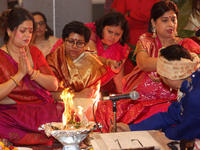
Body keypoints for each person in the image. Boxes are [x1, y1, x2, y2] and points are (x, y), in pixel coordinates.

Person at [95, 0, 200, 133]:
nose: (170, 24)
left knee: (157, 113)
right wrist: (173, 65)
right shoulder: (146, 40)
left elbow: (195, 67)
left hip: (171, 98)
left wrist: (162, 69)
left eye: (173, 20)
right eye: (164, 20)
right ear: (153, 23)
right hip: (141, 96)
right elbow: (143, 64)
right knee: (106, 108)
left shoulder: (187, 43)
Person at [0, 8, 64, 145]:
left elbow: (53, 84)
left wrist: (31, 71)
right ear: (9, 30)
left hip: (42, 110)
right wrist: (19, 75)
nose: (28, 35)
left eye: (30, 31)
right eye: (22, 31)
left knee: (69, 116)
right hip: (12, 115)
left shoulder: (34, 52)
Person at [115, 44, 200, 141]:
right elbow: (171, 114)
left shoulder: (195, 96)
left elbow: (183, 133)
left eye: (161, 76)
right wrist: (131, 128)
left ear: (171, 78)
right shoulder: (192, 82)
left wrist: (164, 131)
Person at [46, 21, 108, 121]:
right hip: (57, 109)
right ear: (64, 40)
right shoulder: (53, 60)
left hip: (86, 110)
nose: (74, 46)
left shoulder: (92, 63)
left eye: (79, 43)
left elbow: (90, 96)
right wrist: (76, 95)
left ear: (85, 44)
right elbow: (47, 94)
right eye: (71, 41)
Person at [85, 12, 130, 94]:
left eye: (117, 34)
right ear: (102, 27)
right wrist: (108, 62)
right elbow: (91, 56)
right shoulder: (91, 33)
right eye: (110, 31)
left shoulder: (119, 48)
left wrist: (122, 99)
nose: (113, 37)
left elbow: (119, 78)